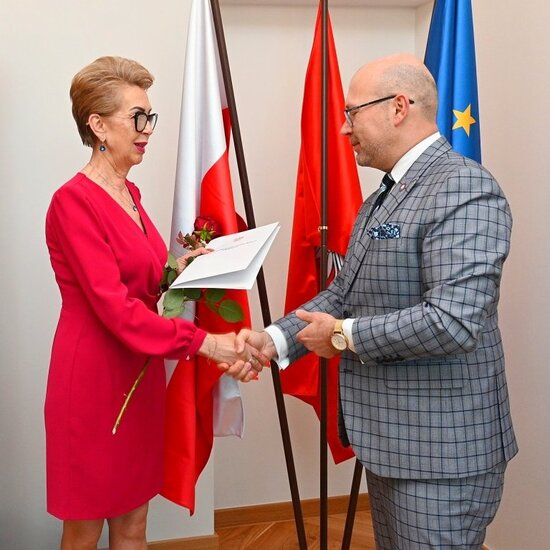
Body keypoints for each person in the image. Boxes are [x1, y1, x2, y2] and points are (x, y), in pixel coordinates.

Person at [234, 53, 517, 549]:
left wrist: (342, 337)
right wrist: (273, 339)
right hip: (393, 444)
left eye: (352, 112)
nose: (344, 128)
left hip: (441, 456)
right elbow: (345, 292)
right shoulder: (383, 196)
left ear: (398, 107)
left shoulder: (464, 188)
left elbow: (452, 322)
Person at [45, 56, 263, 549]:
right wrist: (208, 344)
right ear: (98, 125)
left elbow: (142, 284)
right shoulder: (73, 201)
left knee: (134, 522)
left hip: (139, 375)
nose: (148, 129)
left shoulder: (130, 192)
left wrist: (185, 270)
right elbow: (117, 309)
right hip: (95, 383)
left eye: (150, 117)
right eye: (137, 117)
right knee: (84, 527)